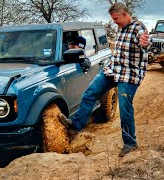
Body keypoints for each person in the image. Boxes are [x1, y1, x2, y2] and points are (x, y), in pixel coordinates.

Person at [58, 2, 149, 157]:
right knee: (90, 93)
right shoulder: (122, 28)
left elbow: (145, 41)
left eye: (116, 19)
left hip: (129, 75)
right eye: (113, 19)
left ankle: (130, 143)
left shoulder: (138, 28)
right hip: (113, 70)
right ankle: (76, 126)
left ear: (125, 14)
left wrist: (145, 42)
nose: (114, 22)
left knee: (125, 108)